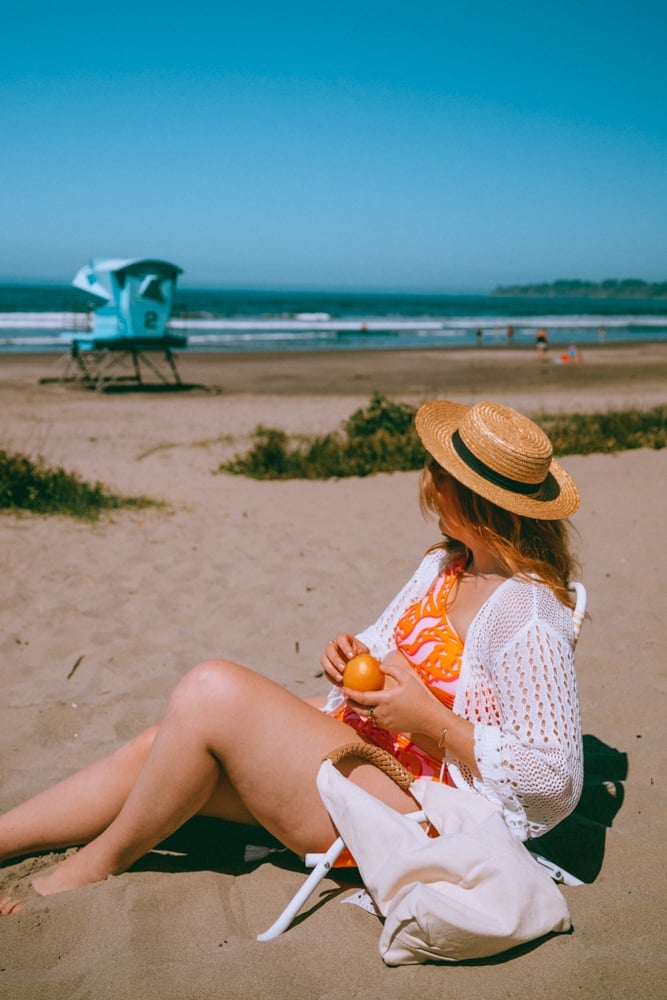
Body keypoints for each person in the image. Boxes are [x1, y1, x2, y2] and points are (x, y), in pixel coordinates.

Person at [0, 400, 584, 916]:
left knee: (211, 690)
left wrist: (429, 721)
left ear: (475, 498)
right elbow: (386, 648)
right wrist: (352, 655)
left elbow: (554, 779)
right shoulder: (445, 566)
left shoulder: (527, 615)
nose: (429, 482)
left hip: (416, 809)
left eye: (440, 474)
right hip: (365, 753)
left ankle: (88, 868)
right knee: (162, 743)